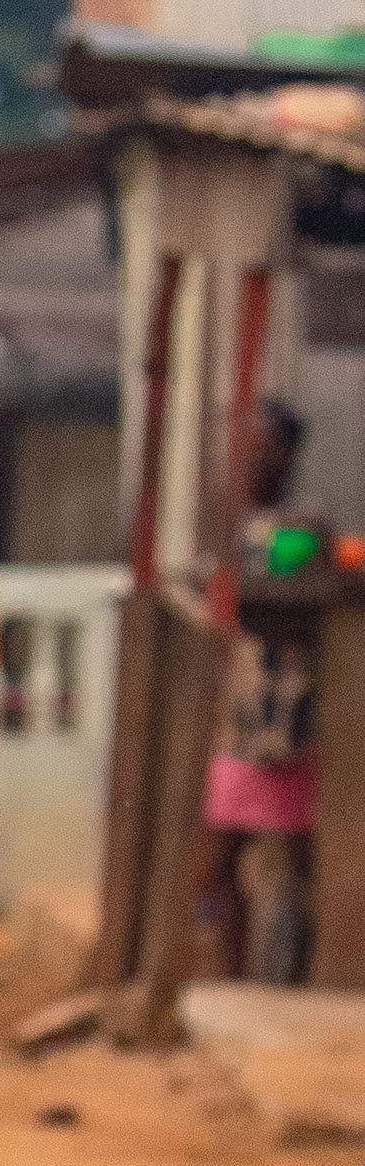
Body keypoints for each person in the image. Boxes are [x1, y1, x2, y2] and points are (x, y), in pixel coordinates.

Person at [197, 401, 332, 983]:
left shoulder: (297, 529)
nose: (250, 456)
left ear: (288, 454)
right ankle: (235, 977)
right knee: (221, 859)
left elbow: (270, 593)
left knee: (300, 861)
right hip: (239, 721)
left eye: (264, 444)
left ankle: (295, 978)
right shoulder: (234, 524)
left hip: (291, 719)